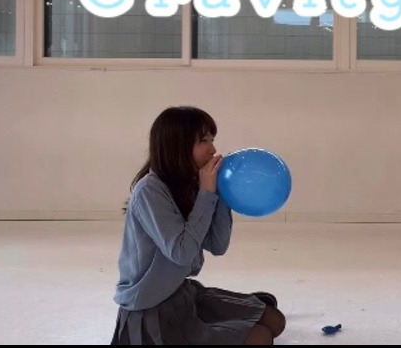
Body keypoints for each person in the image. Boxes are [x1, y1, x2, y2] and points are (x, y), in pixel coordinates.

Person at [111, 106, 286, 345]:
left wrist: (222, 193)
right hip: (152, 310)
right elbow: (182, 253)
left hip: (180, 293)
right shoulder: (149, 191)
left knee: (275, 321)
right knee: (261, 337)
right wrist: (206, 193)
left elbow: (218, 245)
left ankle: (232, 316)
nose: (213, 149)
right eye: (204, 141)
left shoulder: (189, 184)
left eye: (212, 139)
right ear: (178, 146)